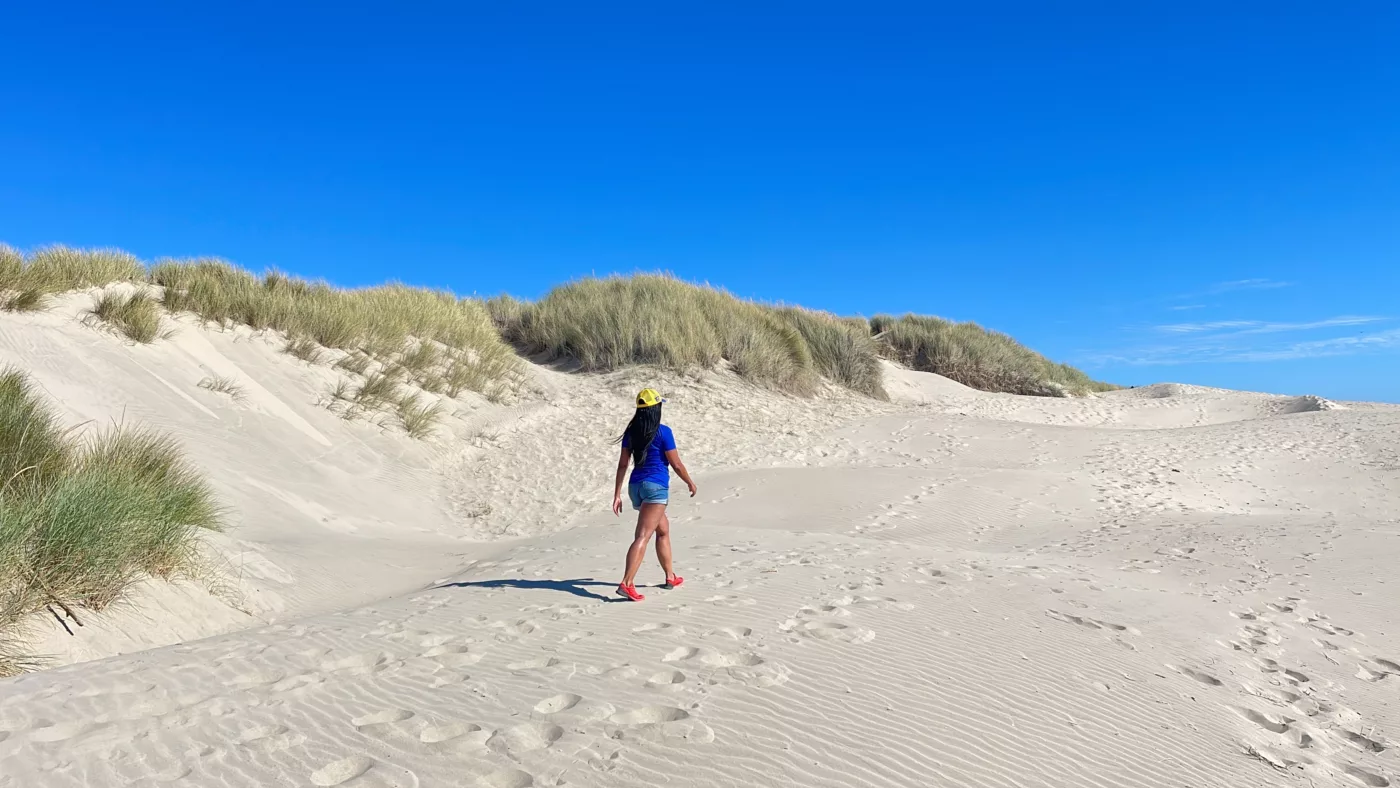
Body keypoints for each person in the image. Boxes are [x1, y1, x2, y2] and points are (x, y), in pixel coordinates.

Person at [610, 388, 698, 601]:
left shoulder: (631, 432)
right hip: (655, 488)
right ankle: (627, 583)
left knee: (663, 530)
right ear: (655, 409)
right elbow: (676, 464)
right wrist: (690, 482)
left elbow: (623, 464)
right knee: (643, 535)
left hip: (635, 487)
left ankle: (670, 576)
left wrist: (617, 494)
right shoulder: (663, 431)